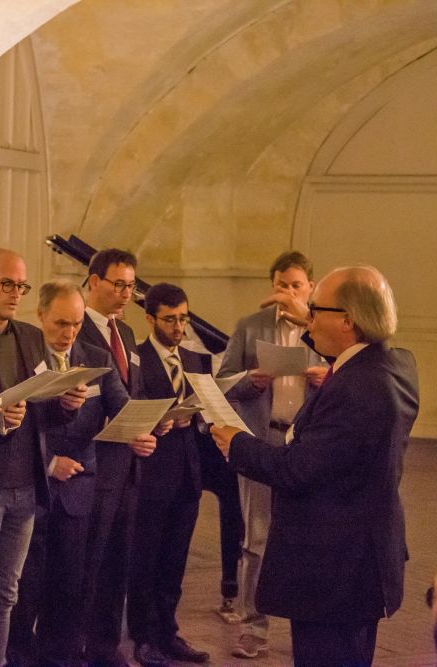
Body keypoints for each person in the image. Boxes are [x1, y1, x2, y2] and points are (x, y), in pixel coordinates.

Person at [212, 266, 419, 667]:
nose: (307, 317)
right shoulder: (396, 364)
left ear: (347, 320)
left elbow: (296, 470)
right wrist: (307, 319)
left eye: (314, 309)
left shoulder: (355, 389)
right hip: (361, 561)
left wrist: (236, 443)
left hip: (334, 569)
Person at [7, 280, 157, 667]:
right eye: (61, 323)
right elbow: (17, 427)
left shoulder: (95, 358)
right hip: (34, 483)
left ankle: (58, 659)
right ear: (40, 315)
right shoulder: (23, 356)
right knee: (25, 587)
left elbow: (121, 407)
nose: (69, 332)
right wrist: (48, 462)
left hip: (79, 487)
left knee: (69, 586)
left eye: (75, 324)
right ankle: (19, 659)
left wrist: (139, 434)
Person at [0, 249, 86, 667]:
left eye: (21, 286)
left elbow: (41, 413)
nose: (15, 293)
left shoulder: (28, 336)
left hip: (26, 482)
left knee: (7, 593)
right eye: (7, 284)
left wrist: (66, 404)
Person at [216, 250, 327, 659]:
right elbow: (223, 381)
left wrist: (325, 377)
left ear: (310, 287)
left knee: (312, 538)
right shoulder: (251, 326)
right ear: (272, 286)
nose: (289, 292)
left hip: (308, 443)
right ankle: (253, 628)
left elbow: (350, 378)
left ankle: (308, 627)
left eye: (297, 285)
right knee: (256, 538)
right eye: (282, 285)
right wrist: (251, 380)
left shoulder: (324, 329)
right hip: (263, 439)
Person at [127, 283, 211, 667]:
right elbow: (133, 407)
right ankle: (144, 637)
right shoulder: (137, 358)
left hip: (187, 472)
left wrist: (201, 416)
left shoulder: (194, 359)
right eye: (170, 320)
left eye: (183, 319)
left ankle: (168, 632)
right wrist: (157, 420)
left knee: (175, 561)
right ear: (150, 319)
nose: (179, 327)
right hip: (151, 472)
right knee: (145, 559)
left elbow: (205, 414)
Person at [79, 248, 146, 666]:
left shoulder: (129, 334)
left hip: (127, 466)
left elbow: (132, 393)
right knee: (88, 562)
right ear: (94, 281)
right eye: (118, 284)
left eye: (131, 286)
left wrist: (155, 421)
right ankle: (80, 646)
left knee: (118, 562)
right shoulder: (77, 328)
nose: (125, 294)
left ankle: (107, 645)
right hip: (93, 464)